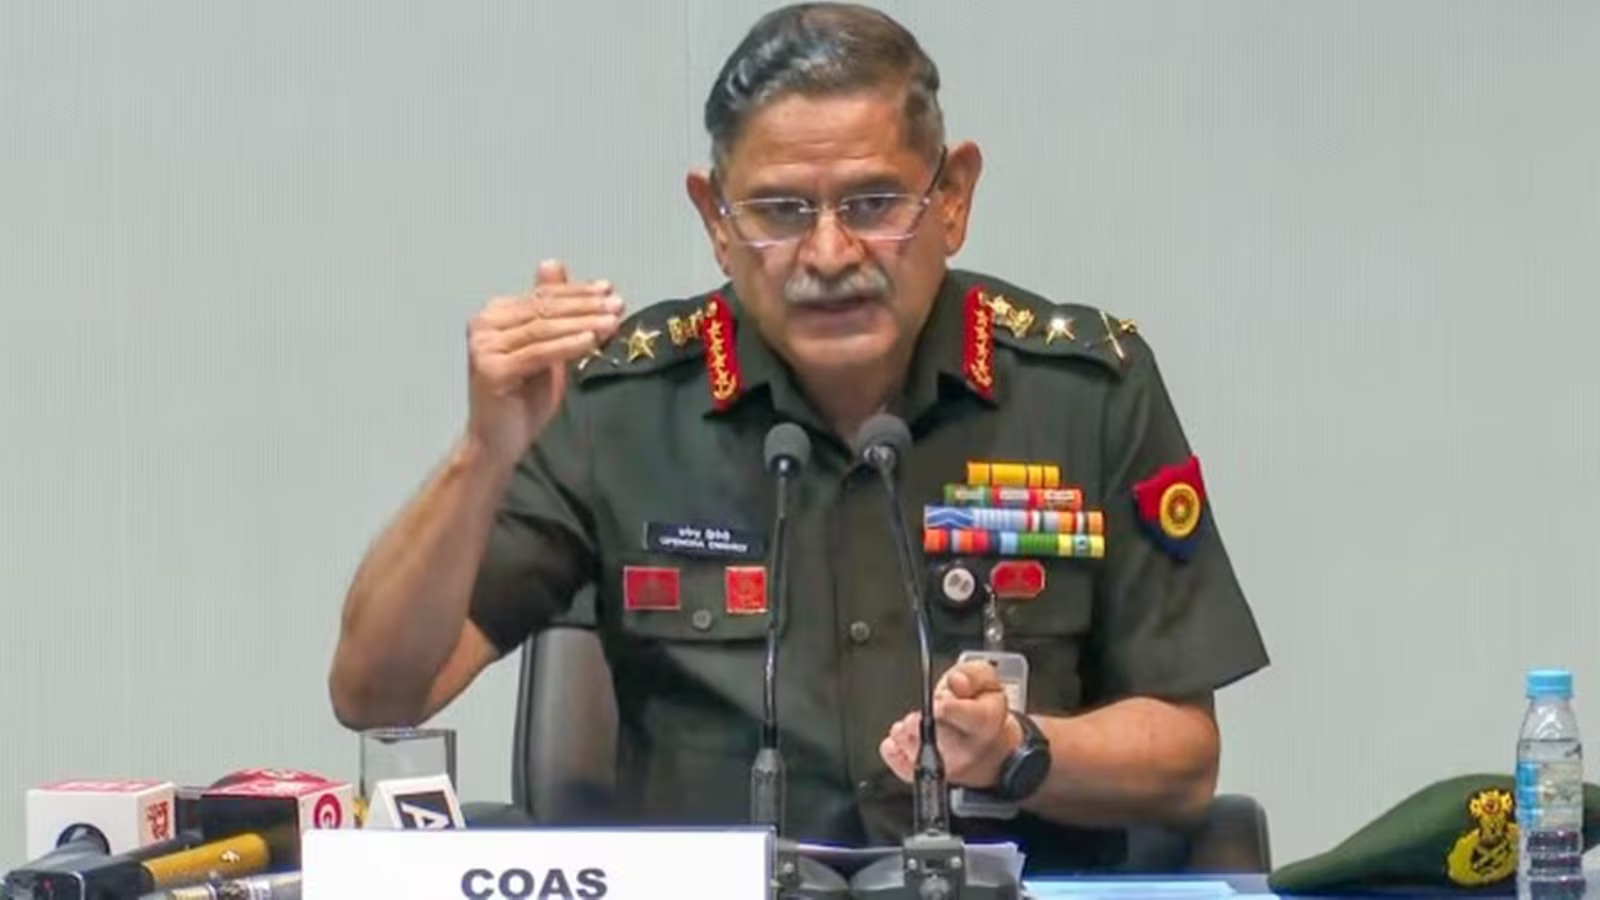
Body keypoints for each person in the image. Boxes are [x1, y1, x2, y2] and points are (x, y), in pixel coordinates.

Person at [328, 1, 1269, 873]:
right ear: (716, 219)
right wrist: (482, 453)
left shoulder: (1085, 392)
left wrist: (1022, 750)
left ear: (951, 198)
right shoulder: (621, 404)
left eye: (872, 205)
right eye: (781, 212)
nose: (828, 254)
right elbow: (379, 695)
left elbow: (1184, 761)